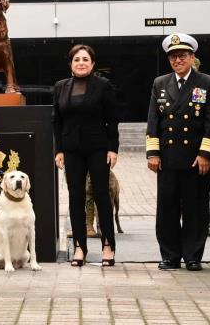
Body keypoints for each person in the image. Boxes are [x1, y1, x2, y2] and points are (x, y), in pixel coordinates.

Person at [146, 34, 210, 271]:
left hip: (194, 158)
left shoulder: (206, 82)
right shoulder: (160, 83)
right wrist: (153, 153)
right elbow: (153, 120)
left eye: (182, 56)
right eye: (173, 56)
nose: (177, 60)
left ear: (192, 57)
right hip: (167, 158)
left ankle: (192, 255)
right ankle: (169, 255)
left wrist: (205, 154)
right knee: (166, 208)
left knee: (195, 209)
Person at [52, 44, 119, 267]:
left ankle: (108, 245)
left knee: (101, 195)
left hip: (98, 148)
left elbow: (112, 119)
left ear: (92, 64)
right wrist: (59, 150)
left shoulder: (103, 86)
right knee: (75, 197)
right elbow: (57, 122)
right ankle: (80, 247)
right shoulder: (61, 86)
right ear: (71, 64)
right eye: (77, 59)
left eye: (85, 59)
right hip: (72, 150)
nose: (81, 63)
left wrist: (113, 148)